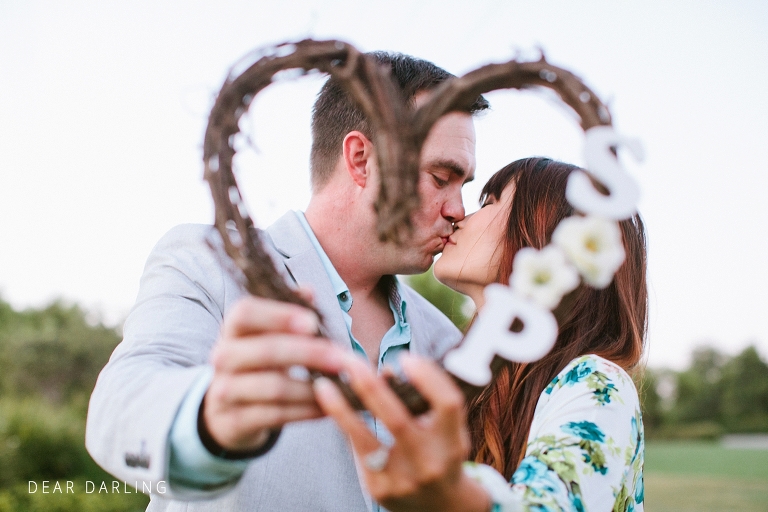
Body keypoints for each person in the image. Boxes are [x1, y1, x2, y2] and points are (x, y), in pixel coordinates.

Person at [85, 52, 489, 511]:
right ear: (360, 160)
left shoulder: (444, 340)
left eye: (464, 186)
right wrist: (211, 420)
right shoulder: (209, 262)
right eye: (441, 178)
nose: (458, 210)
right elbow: (120, 403)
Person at [316, 157, 647, 511]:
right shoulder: (469, 380)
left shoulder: (597, 384)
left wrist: (454, 496)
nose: (459, 216)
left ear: (543, 236)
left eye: (489, 202)